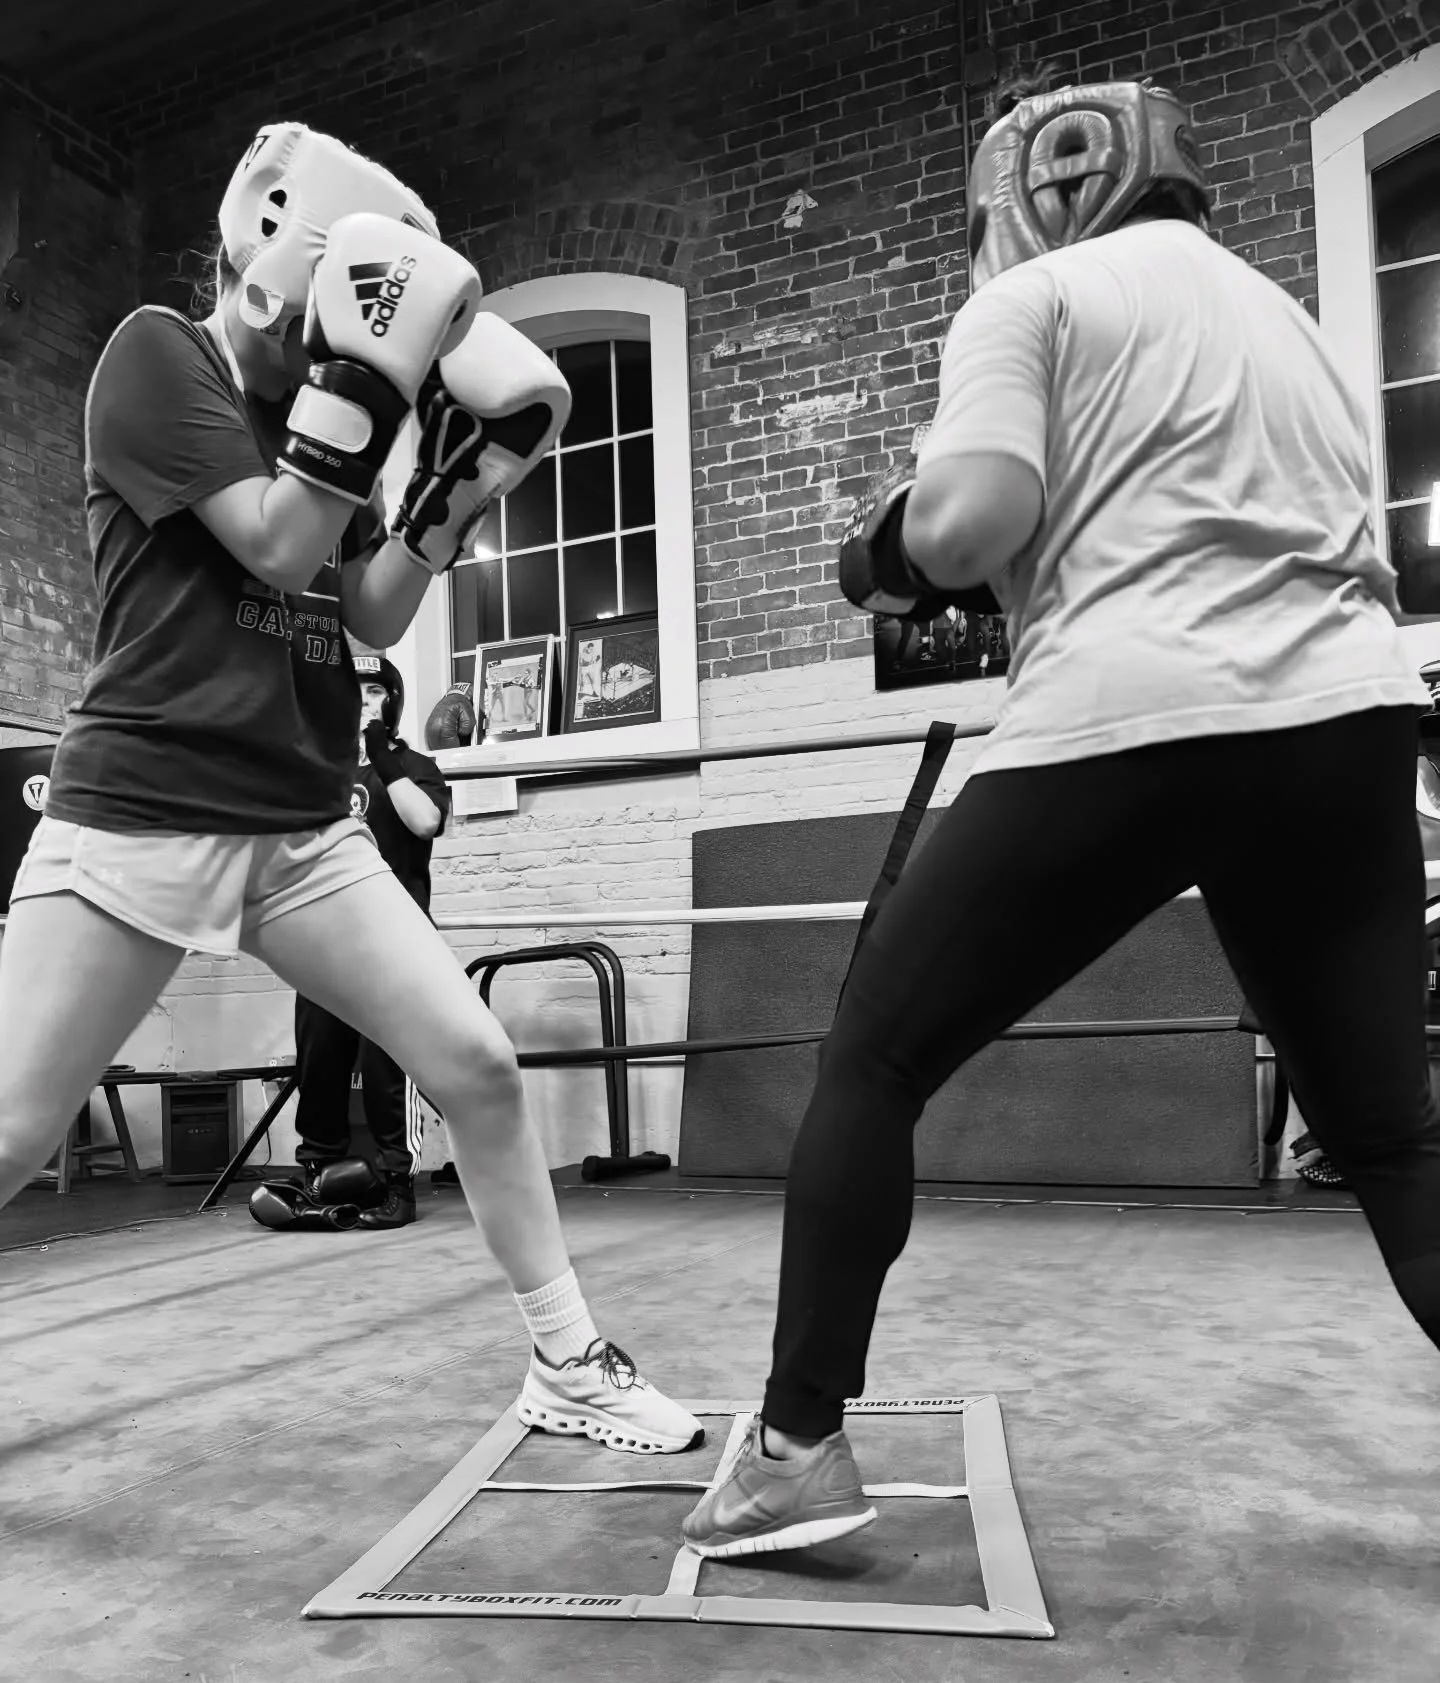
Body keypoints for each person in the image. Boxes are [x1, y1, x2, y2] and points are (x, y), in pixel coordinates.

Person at [683, 76, 1440, 1558]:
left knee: (878, 1056)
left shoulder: (1034, 303)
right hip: (1352, 725)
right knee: (1398, 1144)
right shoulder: (1292, 325)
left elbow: (971, 520)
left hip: (1140, 711)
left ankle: (793, 1449)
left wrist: (883, 551)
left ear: (1040, 192)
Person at [0, 122, 699, 1457]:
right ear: (277, 236)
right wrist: (367, 403)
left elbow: (368, 608)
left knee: (478, 1069)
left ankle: (568, 1360)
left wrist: (462, 484)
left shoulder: (327, 409)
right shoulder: (161, 356)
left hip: (304, 826)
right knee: (10, 1131)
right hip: (144, 805)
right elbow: (273, 547)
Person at [269, 653, 449, 1230]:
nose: (363, 704)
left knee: (387, 1063)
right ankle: (318, 1173)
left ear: (390, 703)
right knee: (319, 1060)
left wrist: (383, 759)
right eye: (355, 694)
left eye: (374, 694)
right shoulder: (318, 773)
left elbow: (425, 823)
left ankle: (399, 1182)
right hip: (328, 941)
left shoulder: (414, 765)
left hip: (396, 943)